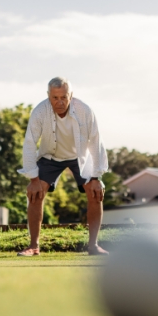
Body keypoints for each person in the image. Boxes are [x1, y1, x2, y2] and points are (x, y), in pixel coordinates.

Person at [17, 77, 109, 256]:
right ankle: (34, 246)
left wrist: (97, 177)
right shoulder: (39, 111)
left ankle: (93, 246)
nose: (59, 102)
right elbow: (29, 143)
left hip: (79, 157)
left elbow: (96, 142)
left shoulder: (85, 111)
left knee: (95, 192)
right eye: (55, 98)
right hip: (50, 157)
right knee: (35, 193)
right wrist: (33, 179)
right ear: (48, 96)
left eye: (63, 97)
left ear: (71, 96)